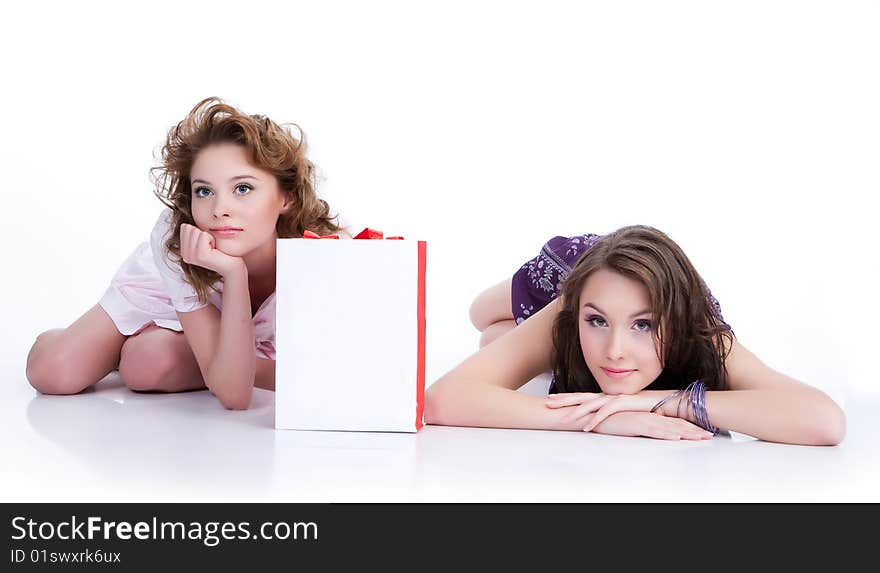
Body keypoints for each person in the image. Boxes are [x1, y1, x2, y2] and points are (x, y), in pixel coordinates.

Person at [25, 97, 343, 410]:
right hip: (166, 292)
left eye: (243, 188)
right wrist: (233, 276)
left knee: (145, 363)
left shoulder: (324, 252)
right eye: (204, 191)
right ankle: (122, 341)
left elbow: (235, 397)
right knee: (53, 371)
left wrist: (233, 275)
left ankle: (184, 353)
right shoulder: (176, 241)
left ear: (286, 197)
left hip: (233, 331)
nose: (220, 210)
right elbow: (241, 392)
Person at [425, 226, 846, 445]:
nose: (616, 351)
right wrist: (601, 419)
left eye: (643, 325)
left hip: (600, 299)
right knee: (483, 319)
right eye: (597, 322)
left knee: (498, 349)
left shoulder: (701, 332)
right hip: (566, 273)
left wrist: (659, 401)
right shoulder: (571, 307)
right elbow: (441, 400)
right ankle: (523, 341)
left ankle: (519, 351)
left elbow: (825, 421)